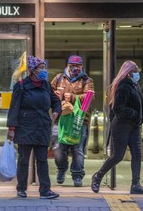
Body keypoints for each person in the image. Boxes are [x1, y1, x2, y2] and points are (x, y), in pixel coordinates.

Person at [91, 60, 143, 195]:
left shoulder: (134, 85)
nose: (137, 74)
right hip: (122, 126)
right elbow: (118, 108)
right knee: (118, 155)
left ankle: (136, 184)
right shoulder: (124, 86)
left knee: (137, 154)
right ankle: (98, 176)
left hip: (134, 126)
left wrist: (141, 118)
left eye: (137, 71)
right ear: (129, 73)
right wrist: (135, 114)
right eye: (135, 71)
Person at [7, 55, 61, 199]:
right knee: (24, 159)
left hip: (42, 127)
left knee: (42, 160)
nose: (44, 71)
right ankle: (21, 188)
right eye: (41, 68)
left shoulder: (47, 86)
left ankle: (45, 190)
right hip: (25, 127)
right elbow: (14, 108)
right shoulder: (22, 85)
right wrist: (11, 128)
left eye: (44, 67)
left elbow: (56, 101)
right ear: (33, 70)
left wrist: (56, 112)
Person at [50, 55, 94, 187]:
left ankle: (77, 175)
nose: (75, 68)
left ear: (81, 67)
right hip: (60, 119)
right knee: (58, 148)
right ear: (68, 66)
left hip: (79, 120)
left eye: (77, 66)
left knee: (78, 149)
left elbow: (90, 96)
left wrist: (74, 97)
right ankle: (62, 169)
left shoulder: (87, 80)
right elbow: (49, 91)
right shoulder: (58, 78)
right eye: (72, 66)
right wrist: (55, 95)